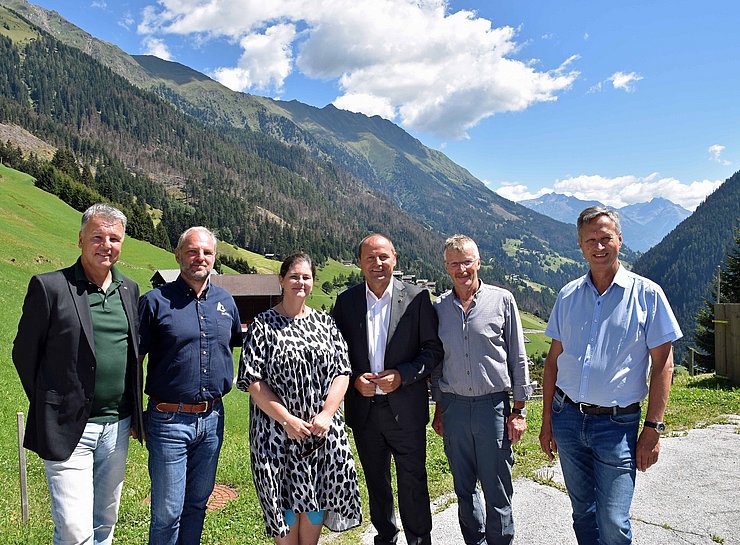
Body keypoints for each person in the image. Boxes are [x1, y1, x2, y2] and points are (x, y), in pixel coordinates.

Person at [539, 206, 683, 545]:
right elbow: (553, 362)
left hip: (616, 426)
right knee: (583, 513)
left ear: (620, 240)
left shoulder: (647, 294)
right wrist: (547, 420)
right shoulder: (569, 295)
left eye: (606, 238)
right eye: (591, 240)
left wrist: (653, 429)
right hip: (568, 417)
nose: (599, 247)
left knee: (614, 520)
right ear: (580, 246)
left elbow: (664, 363)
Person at [13, 203, 143, 545]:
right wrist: (50, 404)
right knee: (73, 529)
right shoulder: (50, 287)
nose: (106, 245)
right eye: (97, 236)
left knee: (104, 521)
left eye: (114, 238)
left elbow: (133, 354)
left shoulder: (130, 290)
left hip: (116, 427)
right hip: (69, 428)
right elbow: (24, 354)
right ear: (80, 239)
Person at [237, 252, 362, 544]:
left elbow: (343, 372)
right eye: (294, 276)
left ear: (313, 282)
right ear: (281, 280)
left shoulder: (325, 324)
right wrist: (288, 420)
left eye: (306, 277)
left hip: (320, 433)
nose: (300, 283)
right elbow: (253, 382)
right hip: (276, 436)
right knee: (285, 509)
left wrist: (328, 414)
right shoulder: (263, 325)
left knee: (316, 501)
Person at [332, 234, 443, 545]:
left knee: (413, 481)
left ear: (395, 258)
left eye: (383, 257)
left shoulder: (418, 297)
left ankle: (419, 539)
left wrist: (403, 376)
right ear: (360, 263)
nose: (377, 263)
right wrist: (354, 380)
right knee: (376, 483)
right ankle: (385, 537)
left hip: (405, 409)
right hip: (366, 412)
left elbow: (433, 351)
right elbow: (335, 352)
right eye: (370, 258)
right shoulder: (347, 301)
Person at [138, 226, 242, 545]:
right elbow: (134, 359)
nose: (200, 258)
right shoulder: (155, 302)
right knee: (168, 512)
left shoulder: (226, 302)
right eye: (193, 251)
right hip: (168, 421)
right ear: (178, 255)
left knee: (197, 505)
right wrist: (132, 412)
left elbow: (237, 343)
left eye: (207, 252)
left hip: (212, 420)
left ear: (214, 258)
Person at [431, 234, 532, 545]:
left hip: (494, 408)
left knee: (497, 488)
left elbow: (517, 355)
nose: (462, 269)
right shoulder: (439, 308)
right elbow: (437, 364)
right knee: (463, 489)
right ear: (446, 267)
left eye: (467, 262)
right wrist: (439, 408)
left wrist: (519, 410)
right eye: (454, 264)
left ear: (478, 262)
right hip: (455, 409)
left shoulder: (502, 300)